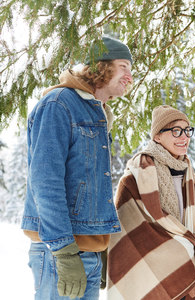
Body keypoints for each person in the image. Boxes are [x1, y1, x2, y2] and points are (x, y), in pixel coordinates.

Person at [21, 36, 133, 300]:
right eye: (123, 66)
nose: (130, 76)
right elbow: (45, 181)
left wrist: (99, 244)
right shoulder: (59, 103)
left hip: (86, 251)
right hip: (59, 253)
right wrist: (64, 251)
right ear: (101, 66)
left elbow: (90, 183)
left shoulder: (97, 111)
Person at [106, 105, 195, 300]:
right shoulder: (135, 178)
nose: (184, 137)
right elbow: (127, 235)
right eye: (176, 131)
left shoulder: (192, 179)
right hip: (152, 276)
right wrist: (182, 249)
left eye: (187, 131)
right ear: (157, 136)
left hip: (193, 275)